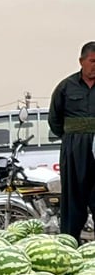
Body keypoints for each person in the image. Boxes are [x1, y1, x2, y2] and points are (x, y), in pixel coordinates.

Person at [48, 42, 95, 241]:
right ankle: (69, 244)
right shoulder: (66, 87)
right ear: (81, 61)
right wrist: (72, 140)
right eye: (92, 61)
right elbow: (55, 120)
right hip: (74, 151)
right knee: (73, 199)